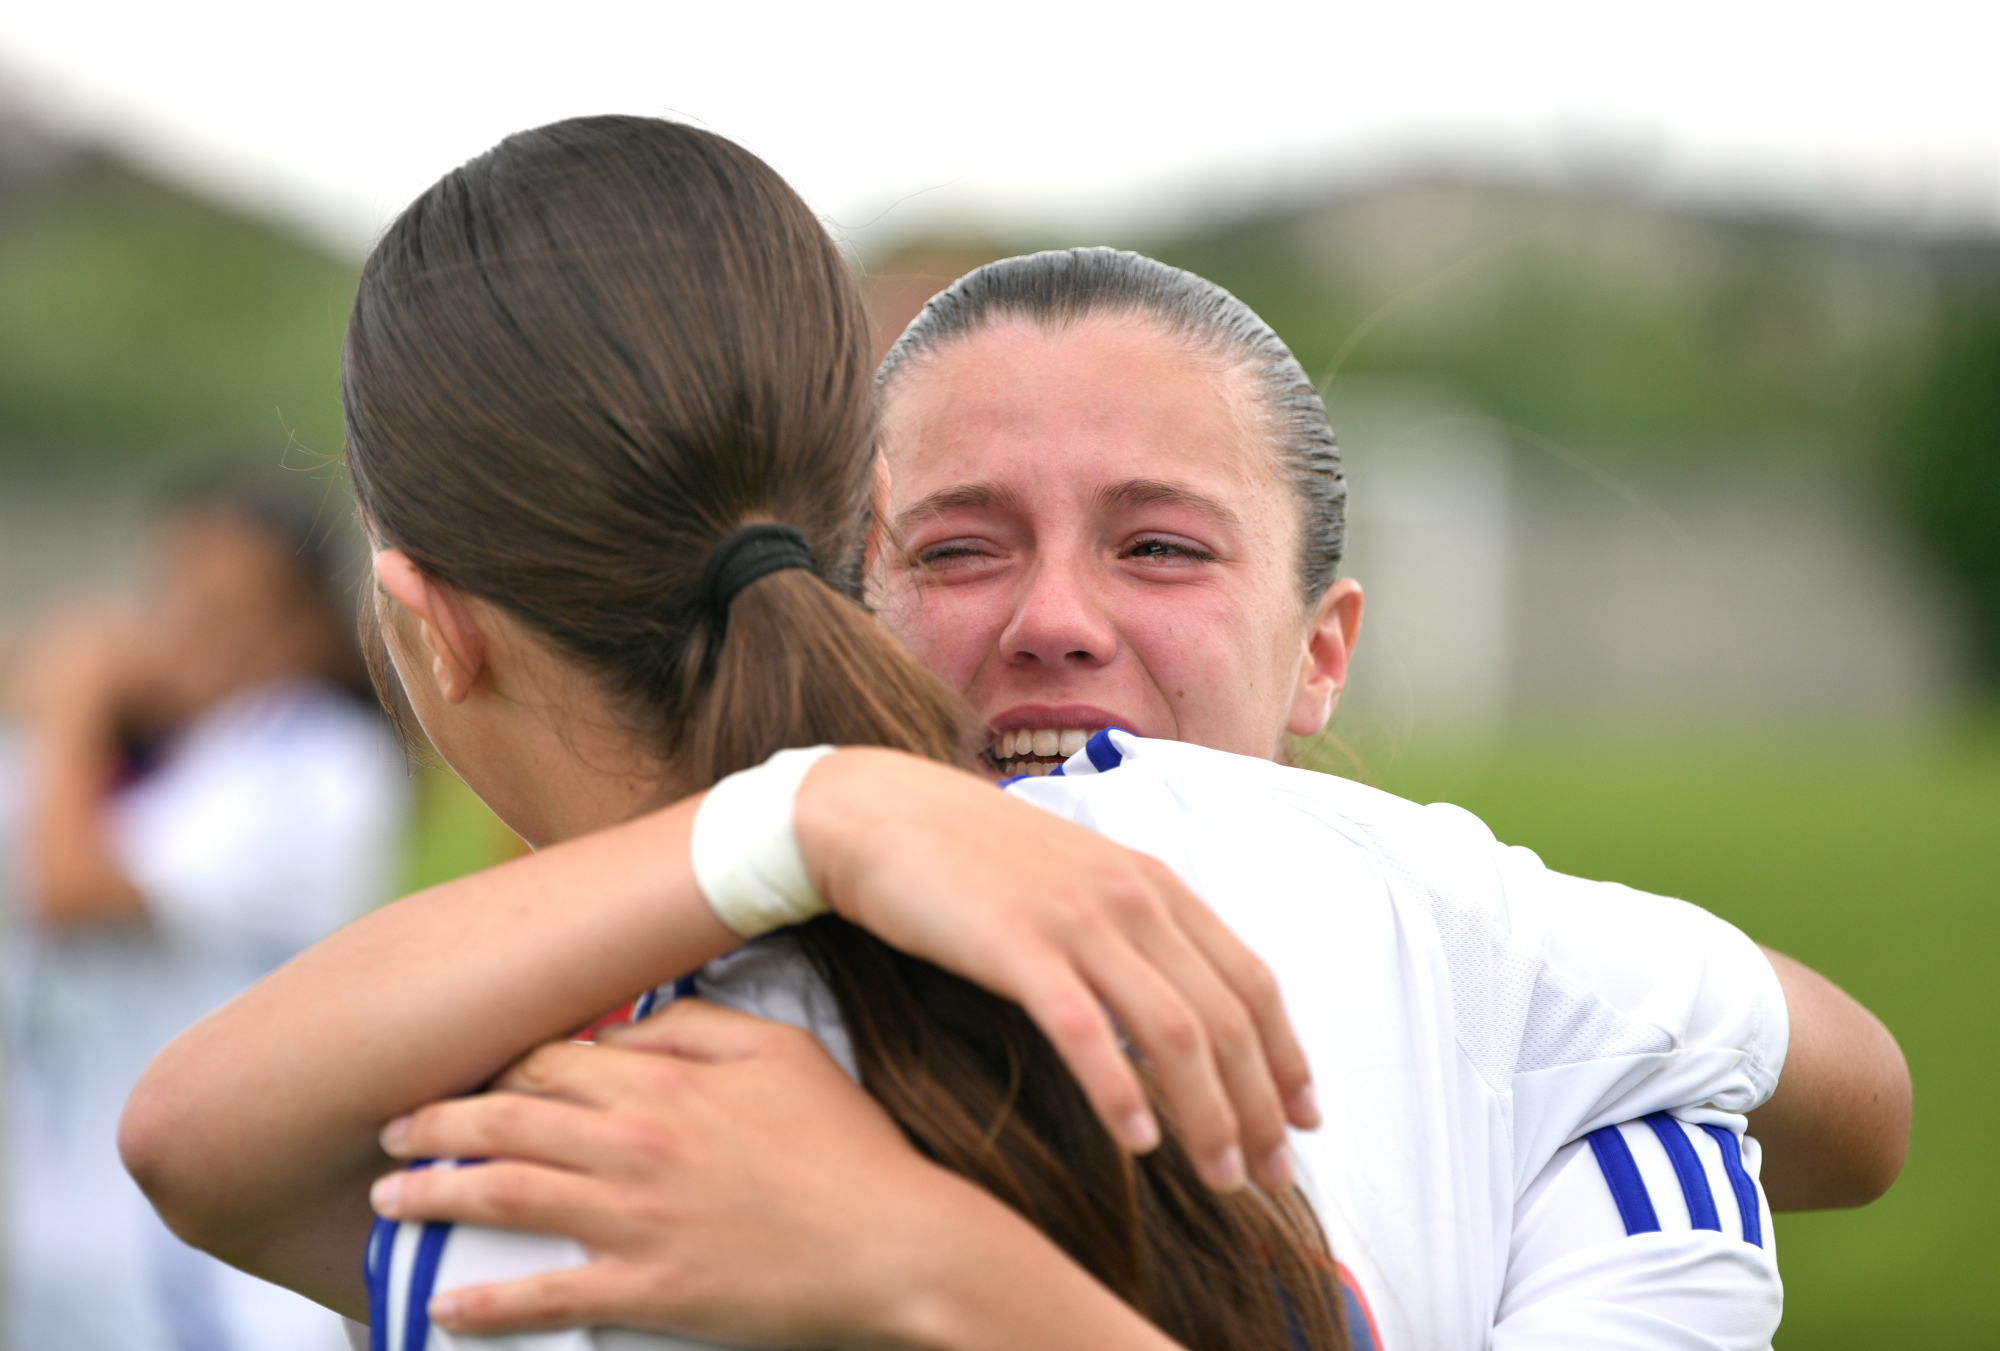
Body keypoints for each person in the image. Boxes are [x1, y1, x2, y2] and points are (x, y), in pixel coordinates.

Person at [116, 121, 1890, 1349]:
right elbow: (190, 1133)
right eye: (959, 548)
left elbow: (1854, 1093)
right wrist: (826, 814)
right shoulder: (622, 1103)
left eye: (1162, 547)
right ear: (844, 574)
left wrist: (942, 1272)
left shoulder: (1463, 937)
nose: (1055, 620)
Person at [1, 475, 409, 1351]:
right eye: (170, 594)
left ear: (301, 632)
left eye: (220, 610)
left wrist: (70, 696)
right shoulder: (125, 758)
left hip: (216, 1300)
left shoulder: (313, 758)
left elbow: (71, 891)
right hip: (68, 1290)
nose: (181, 631)